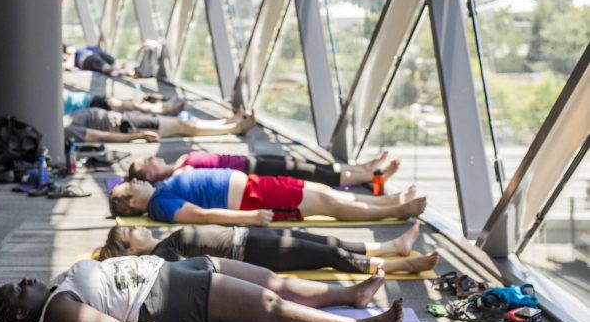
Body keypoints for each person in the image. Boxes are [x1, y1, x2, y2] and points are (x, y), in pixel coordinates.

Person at [0, 255, 404, 322]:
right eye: (16, 289)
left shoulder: (56, 288)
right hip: (172, 298)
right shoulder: (57, 315)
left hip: (176, 270)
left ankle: (350, 294)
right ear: (21, 313)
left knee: (272, 281)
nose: (23, 279)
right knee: (272, 309)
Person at [93, 220, 439, 277]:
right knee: (326, 255)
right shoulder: (162, 254)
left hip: (249, 236)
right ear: (129, 250)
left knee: (324, 241)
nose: (136, 227)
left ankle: (393, 245)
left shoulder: (165, 241)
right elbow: (197, 268)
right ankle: (399, 267)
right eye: (130, 232)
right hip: (252, 252)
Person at [109, 169, 426, 224]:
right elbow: (201, 215)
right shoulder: (160, 204)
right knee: (328, 205)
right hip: (252, 199)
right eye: (130, 187)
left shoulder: (161, 190)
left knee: (324, 192)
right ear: (133, 204)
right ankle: (394, 212)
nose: (134, 181)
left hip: (254, 186)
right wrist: (249, 217)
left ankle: (389, 201)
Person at [129, 149, 400, 188]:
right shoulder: (179, 174)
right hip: (252, 173)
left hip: (251, 160)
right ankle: (375, 179)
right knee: (315, 174)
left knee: (310, 165)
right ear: (150, 175)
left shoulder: (179, 162)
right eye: (147, 162)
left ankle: (364, 169)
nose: (153, 157)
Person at [64, 106, 255, 144]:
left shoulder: (59, 121)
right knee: (182, 125)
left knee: (183, 123)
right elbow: (99, 136)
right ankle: (235, 128)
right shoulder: (64, 129)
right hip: (126, 124)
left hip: (124, 117)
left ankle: (226, 121)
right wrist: (137, 136)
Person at [63, 90, 185, 117]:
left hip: (89, 101)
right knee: (130, 107)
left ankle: (161, 108)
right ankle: (163, 109)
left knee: (129, 106)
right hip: (88, 105)